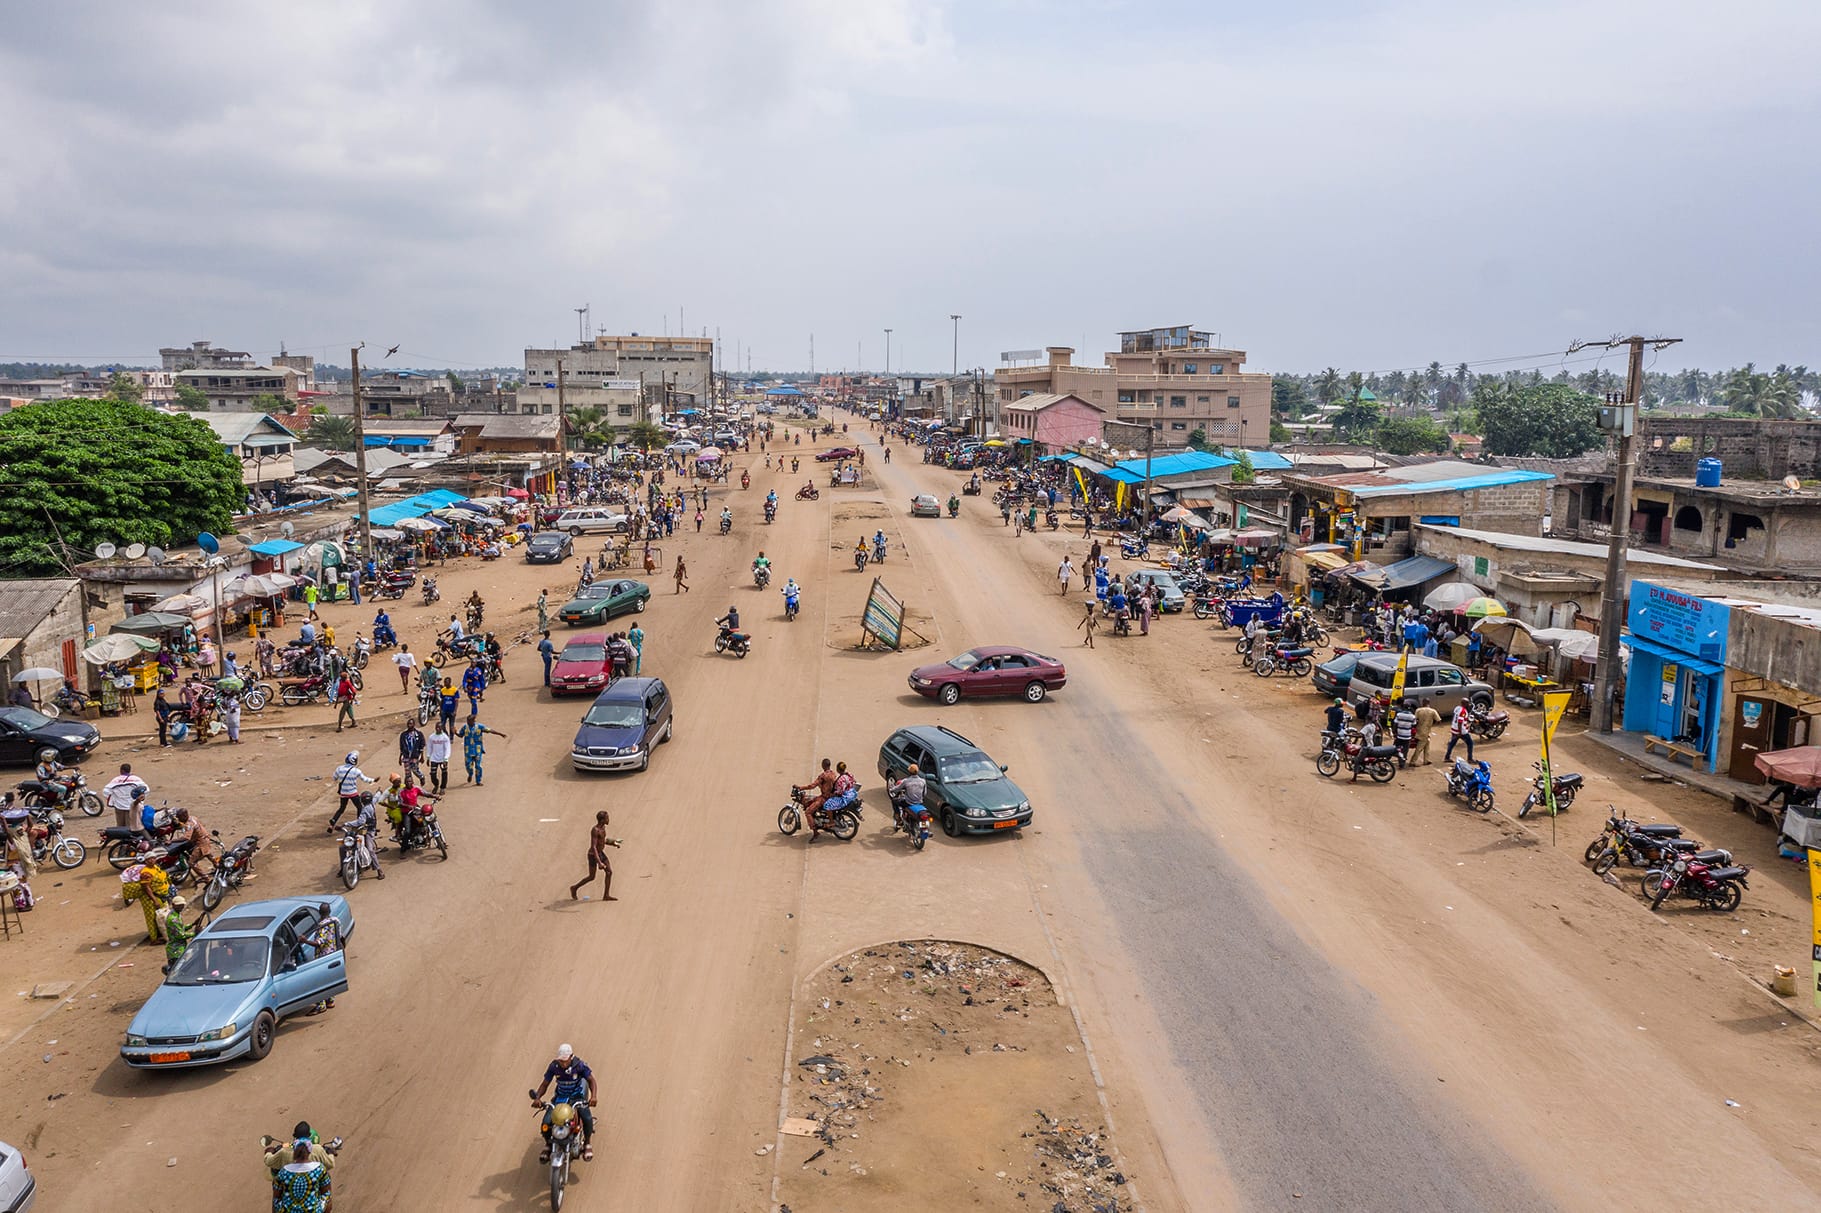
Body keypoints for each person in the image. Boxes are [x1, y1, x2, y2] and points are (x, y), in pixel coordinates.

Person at [531, 1044, 599, 1163]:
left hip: (576, 1097)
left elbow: (591, 1081)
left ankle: (587, 1143)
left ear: (571, 1057)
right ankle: (548, 1144)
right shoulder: (554, 1066)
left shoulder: (579, 1066)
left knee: (587, 1118)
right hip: (560, 1098)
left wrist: (593, 1097)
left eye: (565, 1060)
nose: (562, 1063)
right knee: (546, 1122)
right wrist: (537, 1098)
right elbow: (545, 1084)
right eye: (560, 1061)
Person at [569, 810, 622, 901]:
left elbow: (602, 841)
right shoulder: (595, 830)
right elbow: (593, 847)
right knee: (591, 877)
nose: (608, 819)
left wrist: (613, 843)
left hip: (600, 853)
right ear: (602, 820)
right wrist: (599, 862)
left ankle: (606, 895)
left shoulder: (603, 828)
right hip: (593, 855)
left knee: (609, 872)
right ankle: (574, 888)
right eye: (607, 818)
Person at [271, 1138, 332, 1212]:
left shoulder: (283, 1171)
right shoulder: (319, 1169)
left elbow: (276, 1197)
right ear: (310, 1151)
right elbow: (326, 1194)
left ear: (294, 1152)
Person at [328, 751, 375, 832]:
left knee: (341, 808)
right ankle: (359, 823)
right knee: (359, 807)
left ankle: (333, 822)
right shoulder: (356, 771)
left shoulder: (339, 769)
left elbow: (334, 778)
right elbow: (365, 779)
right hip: (353, 793)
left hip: (343, 793)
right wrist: (373, 780)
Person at [458, 713, 505, 785]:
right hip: (468, 750)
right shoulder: (464, 727)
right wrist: (455, 732)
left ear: (473, 721)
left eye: (469, 721)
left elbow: (489, 730)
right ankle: (470, 773)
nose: (468, 722)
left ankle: (478, 781)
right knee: (468, 765)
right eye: (467, 721)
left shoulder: (479, 727)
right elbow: (461, 735)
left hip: (478, 749)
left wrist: (500, 734)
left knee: (478, 766)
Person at [793, 758, 840, 831]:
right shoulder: (833, 774)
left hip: (824, 798)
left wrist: (800, 788)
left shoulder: (823, 776)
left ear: (823, 765)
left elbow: (812, 786)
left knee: (808, 812)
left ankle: (815, 831)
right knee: (813, 799)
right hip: (832, 796)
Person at [104, 762, 150, 830]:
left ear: (121, 770)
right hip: (132, 806)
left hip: (119, 806)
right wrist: (139, 799)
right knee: (131, 826)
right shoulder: (136, 779)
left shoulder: (116, 780)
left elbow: (106, 791)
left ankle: (121, 836)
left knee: (120, 826)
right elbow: (146, 790)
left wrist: (114, 800)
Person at [158, 894, 194, 973]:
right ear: (173, 905)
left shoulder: (177, 914)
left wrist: (192, 925)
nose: (181, 907)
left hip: (179, 948)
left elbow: (180, 928)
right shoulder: (173, 919)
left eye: (182, 905)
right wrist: (194, 934)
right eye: (179, 905)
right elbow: (180, 935)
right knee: (178, 971)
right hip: (175, 950)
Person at [888, 764, 927, 833]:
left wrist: (891, 789)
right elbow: (924, 793)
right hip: (919, 802)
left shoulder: (906, 781)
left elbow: (897, 789)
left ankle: (899, 820)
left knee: (894, 801)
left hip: (908, 803)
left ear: (909, 772)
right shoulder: (923, 781)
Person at [425, 721, 453, 794]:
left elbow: (447, 748)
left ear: (442, 728)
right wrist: (428, 757)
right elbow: (429, 747)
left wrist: (446, 758)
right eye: (437, 727)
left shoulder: (445, 737)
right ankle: (436, 784)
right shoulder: (431, 737)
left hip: (442, 759)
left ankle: (442, 787)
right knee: (433, 774)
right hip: (434, 758)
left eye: (439, 727)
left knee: (444, 773)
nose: (438, 729)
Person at [398, 718, 426, 784]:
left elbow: (422, 745)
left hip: (415, 755)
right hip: (406, 756)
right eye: (408, 724)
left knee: (415, 769)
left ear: (414, 724)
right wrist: (400, 757)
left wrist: (422, 756)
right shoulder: (403, 735)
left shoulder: (418, 734)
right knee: (407, 773)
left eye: (410, 724)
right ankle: (409, 786)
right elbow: (402, 747)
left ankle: (421, 777)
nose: (409, 725)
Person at [1392, 700, 1418, 765]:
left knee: (1395, 748)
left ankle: (1388, 758)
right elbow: (1414, 725)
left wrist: (1394, 732)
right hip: (1407, 736)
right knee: (1405, 750)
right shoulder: (1412, 716)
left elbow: (1395, 724)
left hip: (1399, 735)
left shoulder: (1399, 714)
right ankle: (1402, 763)